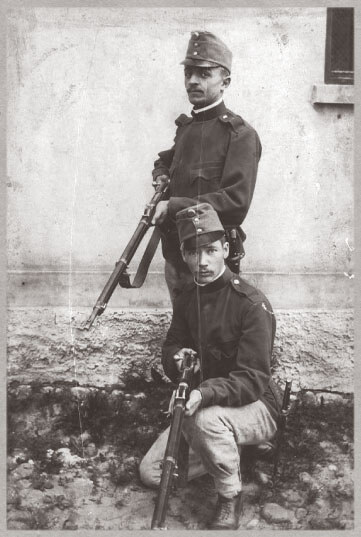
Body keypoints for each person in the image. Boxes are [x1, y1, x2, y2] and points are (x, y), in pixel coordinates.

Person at [140, 203, 282, 530]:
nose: (202, 262)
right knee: (152, 473)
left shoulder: (251, 304)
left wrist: (204, 393)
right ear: (184, 255)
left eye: (210, 250)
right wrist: (177, 359)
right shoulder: (188, 297)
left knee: (202, 419)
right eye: (192, 252)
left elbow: (253, 378)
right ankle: (232, 449)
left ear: (226, 250)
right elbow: (172, 344)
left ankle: (229, 496)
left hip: (256, 405)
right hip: (206, 407)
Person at [151, 30, 262, 302]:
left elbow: (235, 202)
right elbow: (166, 160)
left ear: (225, 82)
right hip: (177, 255)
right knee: (182, 333)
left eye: (204, 74)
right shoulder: (187, 128)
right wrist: (161, 174)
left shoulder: (239, 135)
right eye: (188, 73)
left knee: (214, 336)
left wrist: (174, 205)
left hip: (211, 257)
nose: (192, 81)